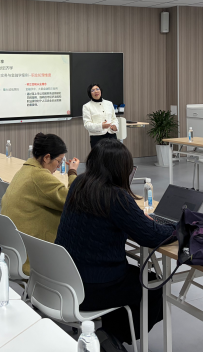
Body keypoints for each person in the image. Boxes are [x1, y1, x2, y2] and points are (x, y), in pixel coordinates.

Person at [55, 140, 174, 351]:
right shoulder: (116, 197)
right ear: (121, 169)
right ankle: (112, 336)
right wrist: (178, 228)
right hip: (93, 287)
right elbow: (151, 236)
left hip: (66, 279)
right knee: (154, 284)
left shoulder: (79, 183)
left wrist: (136, 220)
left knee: (133, 278)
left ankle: (110, 332)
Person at [1, 133, 79, 275]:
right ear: (47, 157)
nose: (58, 166)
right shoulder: (40, 176)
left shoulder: (26, 169)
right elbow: (73, 199)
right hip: (31, 256)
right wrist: (72, 172)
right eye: (59, 161)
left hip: (13, 250)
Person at [83, 83, 118, 148]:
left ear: (100, 90)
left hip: (111, 135)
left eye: (97, 89)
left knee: (114, 154)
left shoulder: (109, 103)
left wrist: (115, 126)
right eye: (93, 90)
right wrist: (101, 126)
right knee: (99, 154)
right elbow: (87, 124)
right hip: (97, 137)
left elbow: (114, 118)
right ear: (90, 93)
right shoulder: (87, 106)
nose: (96, 91)